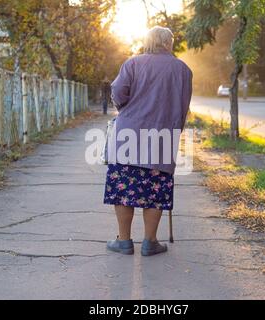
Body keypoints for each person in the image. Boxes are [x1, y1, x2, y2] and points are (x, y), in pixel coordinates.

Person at [103, 26, 193, 256]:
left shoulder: (133, 63)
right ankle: (149, 242)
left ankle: (124, 241)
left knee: (124, 188)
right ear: (168, 43)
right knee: (155, 188)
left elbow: (117, 91)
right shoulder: (182, 70)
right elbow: (183, 108)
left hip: (127, 134)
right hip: (163, 136)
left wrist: (125, 109)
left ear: (148, 41)